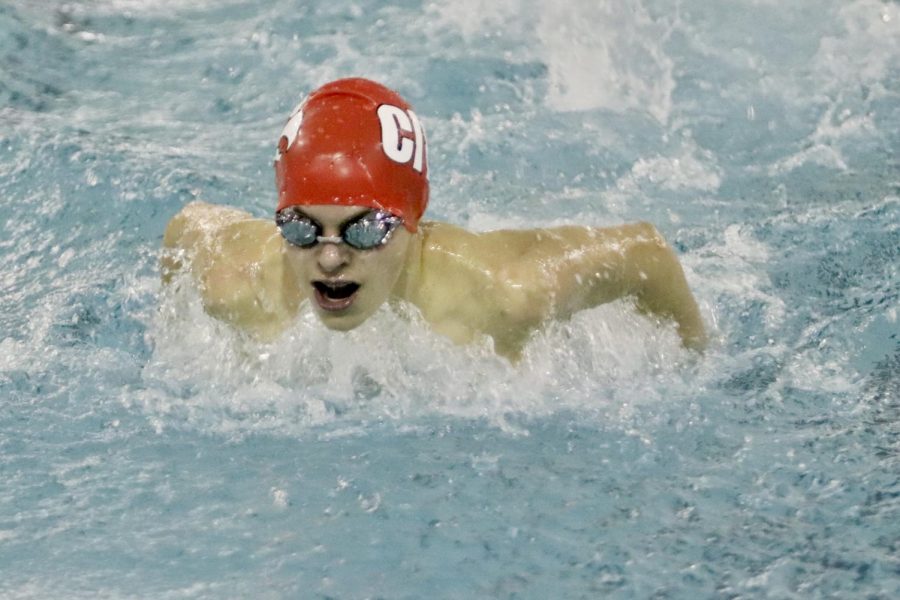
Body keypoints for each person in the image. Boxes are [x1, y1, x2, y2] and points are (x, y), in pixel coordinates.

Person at [162, 77, 706, 361]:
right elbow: (187, 226)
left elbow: (646, 251)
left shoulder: (506, 294)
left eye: (366, 229)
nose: (329, 257)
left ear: (413, 220)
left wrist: (693, 360)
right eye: (302, 228)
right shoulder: (235, 285)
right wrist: (176, 343)